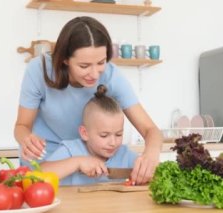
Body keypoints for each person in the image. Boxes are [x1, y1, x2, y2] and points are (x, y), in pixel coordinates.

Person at [14, 16, 163, 185]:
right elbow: (21, 126)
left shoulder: (111, 76)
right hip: (45, 163)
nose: (94, 74)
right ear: (65, 59)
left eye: (101, 62)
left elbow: (151, 130)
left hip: (89, 161)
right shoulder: (39, 70)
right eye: (84, 66)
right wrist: (27, 140)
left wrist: (150, 154)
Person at [40, 85, 138, 185]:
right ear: (84, 133)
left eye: (118, 134)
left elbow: (150, 173)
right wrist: (77, 163)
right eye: (104, 135)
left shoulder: (125, 154)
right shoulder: (71, 150)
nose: (113, 143)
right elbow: (37, 175)